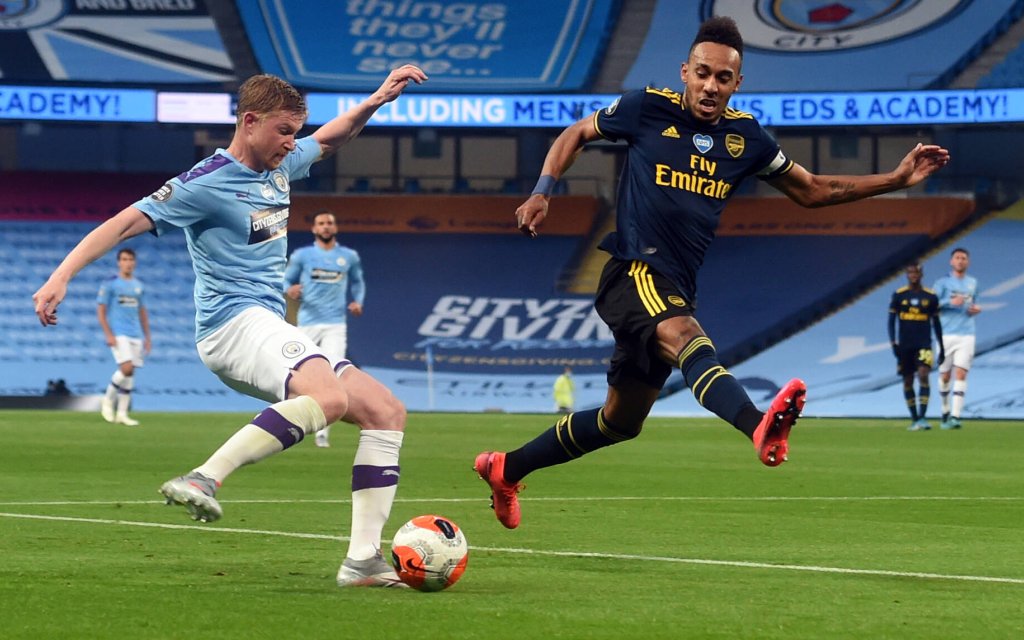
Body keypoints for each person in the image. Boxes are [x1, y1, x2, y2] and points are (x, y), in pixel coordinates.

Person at [473, 16, 950, 530]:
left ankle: (506, 467)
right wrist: (543, 189)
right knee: (686, 336)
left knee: (620, 422)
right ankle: (758, 427)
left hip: (675, 285)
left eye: (723, 78)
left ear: (737, 83)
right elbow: (578, 133)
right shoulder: (645, 108)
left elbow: (812, 190)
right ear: (685, 71)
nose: (710, 86)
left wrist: (897, 180)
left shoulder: (747, 139)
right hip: (633, 269)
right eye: (702, 73)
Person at [32, 65, 428, 587]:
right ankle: (203, 477)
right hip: (230, 324)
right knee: (329, 398)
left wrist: (377, 98)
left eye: (295, 132)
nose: (293, 142)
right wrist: (62, 276)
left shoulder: (281, 168)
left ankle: (362, 561)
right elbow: (125, 221)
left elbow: (332, 138)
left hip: (266, 323)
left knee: (385, 411)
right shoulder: (205, 182)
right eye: (284, 131)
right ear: (249, 121)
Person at [284, 210, 365, 448]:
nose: (326, 227)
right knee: (295, 373)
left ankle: (322, 432)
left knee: (333, 375)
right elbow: (285, 279)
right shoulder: (303, 255)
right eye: (321, 223)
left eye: (330, 223)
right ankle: (286, 421)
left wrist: (358, 301)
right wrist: (290, 289)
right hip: (307, 322)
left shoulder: (348, 256)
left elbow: (359, 282)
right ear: (314, 229)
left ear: (335, 228)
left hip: (335, 324)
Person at [96, 247, 151, 426]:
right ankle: (107, 401)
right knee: (126, 369)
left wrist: (147, 337)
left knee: (130, 374)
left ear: (134, 262)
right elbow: (101, 310)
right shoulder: (111, 283)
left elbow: (142, 312)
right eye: (124, 259)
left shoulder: (138, 285)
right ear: (119, 262)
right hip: (119, 333)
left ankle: (121, 414)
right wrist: (108, 333)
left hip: (136, 333)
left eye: (130, 260)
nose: (128, 263)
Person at [888, 262, 944, 431]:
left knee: (923, 374)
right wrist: (893, 343)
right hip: (905, 345)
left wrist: (942, 346)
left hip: (924, 344)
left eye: (916, 272)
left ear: (921, 274)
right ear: (907, 275)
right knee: (907, 380)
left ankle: (922, 417)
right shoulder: (899, 296)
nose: (913, 275)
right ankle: (914, 418)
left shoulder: (930, 297)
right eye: (910, 272)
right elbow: (891, 322)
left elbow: (936, 323)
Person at [933, 247, 980, 430]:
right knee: (945, 376)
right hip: (946, 333)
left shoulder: (973, 283)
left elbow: (972, 304)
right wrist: (949, 302)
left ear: (967, 262)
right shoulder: (942, 283)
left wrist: (975, 310)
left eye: (963, 258)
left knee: (961, 373)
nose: (960, 261)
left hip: (967, 333)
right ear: (951, 262)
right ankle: (945, 409)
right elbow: (932, 306)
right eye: (957, 258)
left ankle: (955, 416)